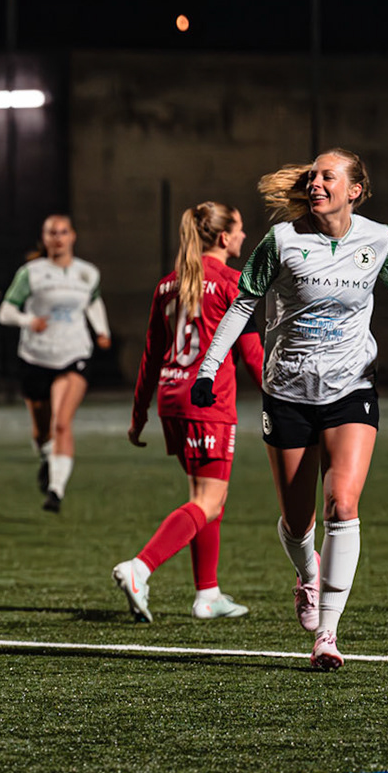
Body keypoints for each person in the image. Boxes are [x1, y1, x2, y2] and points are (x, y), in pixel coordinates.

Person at [189, 149, 388, 670]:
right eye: (314, 175)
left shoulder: (378, 238)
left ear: (355, 190)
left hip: (352, 386)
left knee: (342, 503)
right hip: (287, 392)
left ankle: (327, 634)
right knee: (298, 521)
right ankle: (307, 573)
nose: (317, 181)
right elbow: (242, 306)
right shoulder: (281, 240)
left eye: (329, 176)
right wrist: (210, 369)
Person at [111, 203, 264, 623]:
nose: (244, 236)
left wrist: (139, 413)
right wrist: (286, 397)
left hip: (171, 400)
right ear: (222, 238)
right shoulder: (234, 283)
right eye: (239, 229)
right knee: (207, 500)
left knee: (209, 498)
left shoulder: (166, 286)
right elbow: (252, 356)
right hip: (208, 403)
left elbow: (151, 355)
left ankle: (208, 594)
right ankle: (139, 568)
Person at [0, 215, 111, 511]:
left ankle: (56, 491)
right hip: (35, 356)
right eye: (51, 233)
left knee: (62, 423)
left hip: (74, 354)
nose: (58, 238)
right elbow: (5, 312)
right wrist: (28, 320)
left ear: (73, 236)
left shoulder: (87, 273)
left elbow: (93, 301)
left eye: (63, 232)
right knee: (41, 430)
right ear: (44, 238)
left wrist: (101, 331)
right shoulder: (31, 273)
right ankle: (48, 457)